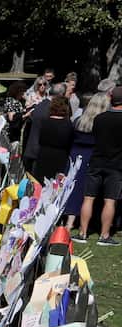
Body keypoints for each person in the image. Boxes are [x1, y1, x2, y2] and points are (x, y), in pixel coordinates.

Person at [77, 86, 122, 245]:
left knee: (88, 198)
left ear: (111, 98)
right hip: (116, 164)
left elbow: (96, 136)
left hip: (97, 160)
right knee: (110, 201)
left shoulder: (99, 118)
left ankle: (82, 233)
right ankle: (104, 235)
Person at [67, 92, 109, 234]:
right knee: (87, 192)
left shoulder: (79, 120)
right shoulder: (102, 125)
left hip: (75, 156)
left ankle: (69, 221)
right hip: (91, 158)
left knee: (73, 188)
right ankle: (84, 223)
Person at [24, 83, 64, 174]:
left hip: (32, 149)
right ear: (60, 95)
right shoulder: (50, 109)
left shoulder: (39, 105)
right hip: (40, 153)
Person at [33, 95, 73, 181]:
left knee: (41, 183)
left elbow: (40, 140)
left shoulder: (45, 122)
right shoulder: (68, 125)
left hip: (43, 156)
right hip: (60, 157)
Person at [3, 82, 28, 149]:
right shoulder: (10, 101)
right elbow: (11, 118)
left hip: (18, 129)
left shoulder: (21, 101)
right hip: (11, 131)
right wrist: (25, 115)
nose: (23, 94)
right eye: (22, 92)